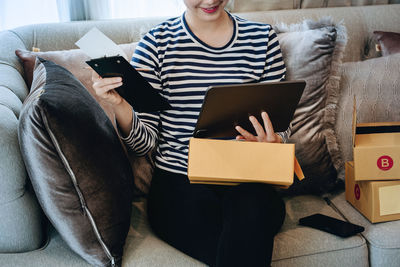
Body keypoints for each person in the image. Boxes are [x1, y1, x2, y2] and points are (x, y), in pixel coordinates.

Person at [92, 0, 288, 266]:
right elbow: (144, 144)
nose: (209, 0)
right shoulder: (156, 45)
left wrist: (273, 141)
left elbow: (281, 125)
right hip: (179, 185)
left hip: (248, 179)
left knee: (252, 209)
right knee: (242, 245)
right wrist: (120, 106)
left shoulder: (262, 39)